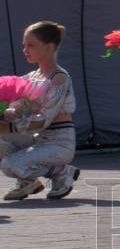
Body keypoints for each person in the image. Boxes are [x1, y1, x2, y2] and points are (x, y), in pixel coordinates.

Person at [0, 21, 81, 201]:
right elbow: (14, 105)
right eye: (24, 45)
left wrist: (8, 124)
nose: (25, 50)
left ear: (49, 47)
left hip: (58, 143)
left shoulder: (59, 78)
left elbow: (43, 120)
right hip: (36, 139)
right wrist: (3, 110)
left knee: (8, 165)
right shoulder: (31, 77)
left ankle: (61, 171)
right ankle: (27, 180)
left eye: (31, 45)